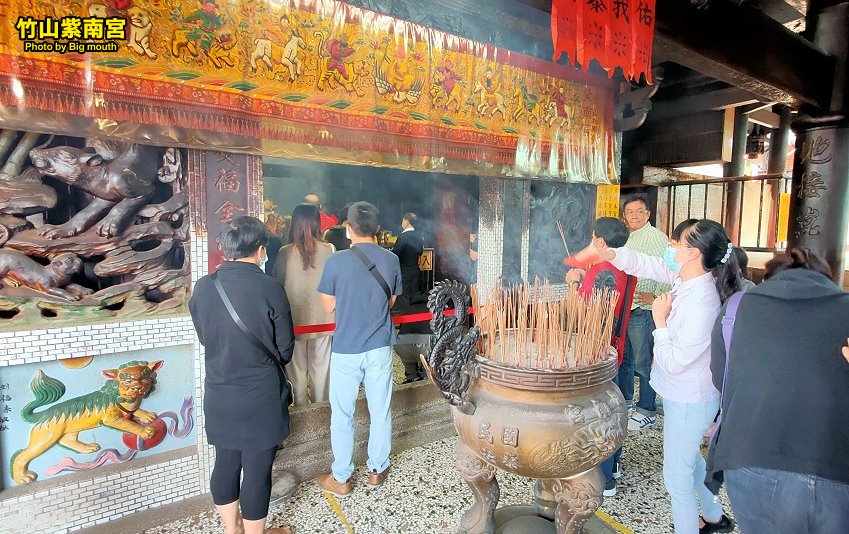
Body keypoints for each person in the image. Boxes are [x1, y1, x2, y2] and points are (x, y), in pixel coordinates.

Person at [578, 218, 740, 534]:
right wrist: (612, 254)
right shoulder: (685, 280)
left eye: (676, 243)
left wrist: (660, 323)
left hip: (690, 398)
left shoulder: (702, 301)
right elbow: (648, 264)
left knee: (676, 478)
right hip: (686, 396)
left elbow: (676, 361)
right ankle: (713, 514)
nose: (669, 247)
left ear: (693, 253)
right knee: (690, 460)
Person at [706, 249, 849, 534]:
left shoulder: (736, 308)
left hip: (749, 457)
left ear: (769, 279)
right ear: (828, 278)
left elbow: (721, 380)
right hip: (835, 464)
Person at [189, 216, 295, 534]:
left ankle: (230, 529)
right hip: (260, 396)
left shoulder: (204, 288)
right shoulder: (270, 288)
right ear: (261, 250)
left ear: (225, 249)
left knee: (225, 462)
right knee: (257, 470)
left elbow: (206, 336)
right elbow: (286, 349)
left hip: (220, 392)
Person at [316, 202, 402, 497]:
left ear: (347, 228)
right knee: (381, 411)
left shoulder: (336, 262)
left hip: (347, 349)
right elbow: (390, 302)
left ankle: (341, 477)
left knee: (342, 414)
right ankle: (377, 470)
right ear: (377, 230)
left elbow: (328, 307)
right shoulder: (391, 260)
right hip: (379, 346)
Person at [565, 217, 636, 497]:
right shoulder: (627, 267)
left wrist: (573, 283)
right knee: (614, 409)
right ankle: (614, 465)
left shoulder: (601, 270)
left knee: (598, 416)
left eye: (594, 238)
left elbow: (585, 313)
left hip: (596, 353)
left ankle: (603, 478)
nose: (592, 243)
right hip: (615, 349)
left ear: (601, 242)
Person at [273, 204, 336, 407]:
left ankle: (301, 414)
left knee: (296, 373)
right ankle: (320, 413)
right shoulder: (329, 249)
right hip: (324, 321)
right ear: (317, 222)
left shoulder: (285, 252)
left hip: (294, 322)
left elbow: (277, 285)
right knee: (322, 372)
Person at [620, 195, 670, 430]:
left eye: (639, 211)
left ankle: (647, 409)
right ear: (625, 216)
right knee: (626, 360)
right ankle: (626, 401)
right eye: (630, 212)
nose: (635, 216)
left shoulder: (657, 237)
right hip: (626, 307)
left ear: (648, 214)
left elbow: (670, 270)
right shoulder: (625, 238)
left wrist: (657, 296)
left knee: (644, 363)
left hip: (644, 308)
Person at [392, 212, 424, 307]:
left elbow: (396, 254)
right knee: (414, 299)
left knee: (404, 300)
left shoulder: (402, 237)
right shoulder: (419, 236)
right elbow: (420, 252)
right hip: (415, 269)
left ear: (407, 222)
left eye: (403, 220)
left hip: (403, 271)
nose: (402, 223)